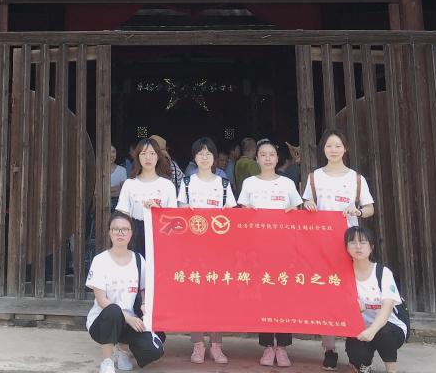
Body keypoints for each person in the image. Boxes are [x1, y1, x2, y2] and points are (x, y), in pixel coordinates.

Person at [302, 129, 375, 370]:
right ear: (323, 149)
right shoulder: (315, 177)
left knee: (353, 292)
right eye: (329, 146)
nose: (333, 150)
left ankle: (357, 345)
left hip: (351, 244)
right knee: (327, 294)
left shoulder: (356, 179)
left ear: (345, 148)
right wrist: (307, 204)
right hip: (322, 245)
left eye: (338, 146)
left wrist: (358, 211)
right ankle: (329, 349)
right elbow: (306, 204)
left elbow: (369, 208)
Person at [237, 139, 303, 367]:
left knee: (283, 294)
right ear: (256, 158)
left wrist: (294, 210)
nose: (267, 158)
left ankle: (282, 347)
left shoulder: (287, 183)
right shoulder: (249, 183)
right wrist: (246, 211)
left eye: (271, 154)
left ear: (277, 158)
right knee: (263, 294)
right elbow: (241, 212)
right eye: (263, 154)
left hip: (283, 248)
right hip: (257, 248)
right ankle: (267, 346)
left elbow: (298, 210)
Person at [86, 211, 166, 373]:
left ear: (131, 233)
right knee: (113, 310)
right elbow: (102, 300)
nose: (120, 233)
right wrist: (127, 318)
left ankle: (123, 350)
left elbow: (144, 289)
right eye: (115, 229)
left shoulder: (138, 260)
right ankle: (107, 361)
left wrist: (144, 304)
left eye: (124, 229)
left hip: (130, 319)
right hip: (103, 321)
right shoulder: (100, 260)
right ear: (109, 233)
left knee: (154, 350)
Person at [179, 137, 235, 364]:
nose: (204, 157)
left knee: (217, 298)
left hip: (218, 250)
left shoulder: (223, 184)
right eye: (200, 153)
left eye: (208, 153)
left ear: (215, 158)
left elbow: (232, 217)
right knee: (196, 297)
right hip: (193, 250)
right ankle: (198, 345)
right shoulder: (186, 183)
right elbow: (180, 217)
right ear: (194, 157)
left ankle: (217, 346)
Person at [345, 226, 406, 373]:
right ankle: (364, 364)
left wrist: (372, 330)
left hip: (390, 327)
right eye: (352, 242)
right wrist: (351, 309)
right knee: (356, 354)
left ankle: (391, 370)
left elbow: (387, 307)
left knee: (383, 331)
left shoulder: (383, 272)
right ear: (346, 247)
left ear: (371, 247)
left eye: (363, 242)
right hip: (361, 328)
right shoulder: (343, 275)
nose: (358, 246)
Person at [115, 137, 177, 255]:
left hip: (161, 234)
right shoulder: (129, 184)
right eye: (143, 153)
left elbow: (174, 218)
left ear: (158, 157)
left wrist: (158, 211)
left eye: (152, 153)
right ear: (137, 157)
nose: (148, 157)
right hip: (135, 236)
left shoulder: (168, 185)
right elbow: (123, 214)